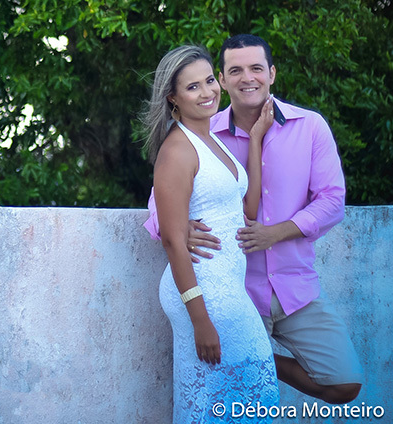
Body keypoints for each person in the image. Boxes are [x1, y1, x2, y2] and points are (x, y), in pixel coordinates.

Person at [144, 34, 363, 405]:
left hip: (295, 289)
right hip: (237, 291)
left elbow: (332, 201)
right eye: (235, 71)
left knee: (345, 384)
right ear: (225, 78)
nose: (248, 78)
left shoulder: (310, 127)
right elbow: (159, 204)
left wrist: (274, 234)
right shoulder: (202, 131)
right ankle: (250, 356)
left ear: (272, 74)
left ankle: (257, 357)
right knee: (233, 403)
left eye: (257, 68)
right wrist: (174, 228)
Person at [143, 45, 278, 423]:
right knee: (241, 398)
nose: (207, 93)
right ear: (173, 97)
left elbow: (246, 210)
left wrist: (254, 139)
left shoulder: (213, 140)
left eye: (208, 81)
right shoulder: (177, 150)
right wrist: (200, 319)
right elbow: (172, 238)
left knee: (230, 401)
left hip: (226, 288)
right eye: (192, 87)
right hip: (203, 292)